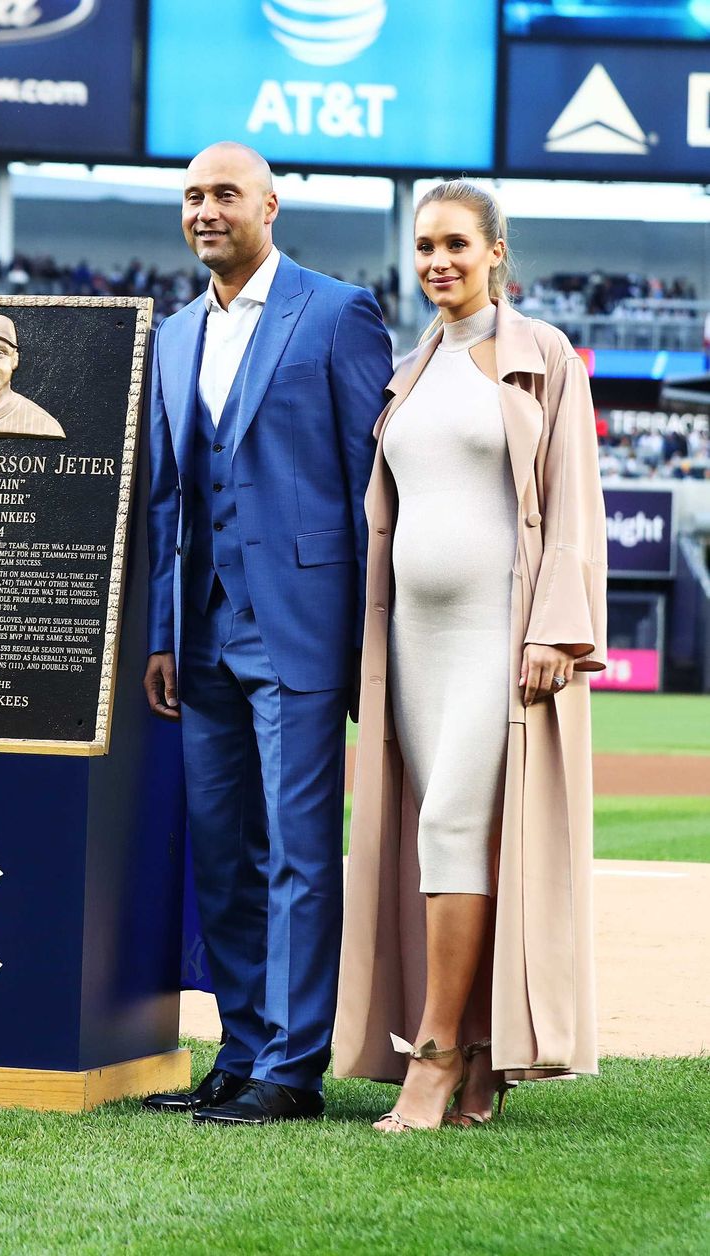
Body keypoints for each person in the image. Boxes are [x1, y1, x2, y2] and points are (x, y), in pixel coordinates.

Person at [334, 180, 607, 1132]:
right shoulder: (408, 369)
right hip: (412, 641)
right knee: (438, 836)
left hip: (501, 636)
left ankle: (437, 1056)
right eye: (423, 247)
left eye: (456, 244)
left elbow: (574, 501)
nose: (437, 262)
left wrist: (553, 629)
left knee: (453, 825)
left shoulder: (543, 356)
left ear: (496, 251)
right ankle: (481, 1059)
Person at [142, 142, 392, 1125]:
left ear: (269, 206)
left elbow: (371, 489)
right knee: (219, 851)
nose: (206, 209)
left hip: (296, 625)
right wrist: (164, 629)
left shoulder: (335, 313)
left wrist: (370, 640)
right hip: (198, 629)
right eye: (192, 196)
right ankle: (240, 1048)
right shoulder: (169, 335)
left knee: (295, 849)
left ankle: (290, 1066)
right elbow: (170, 493)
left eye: (225, 194)